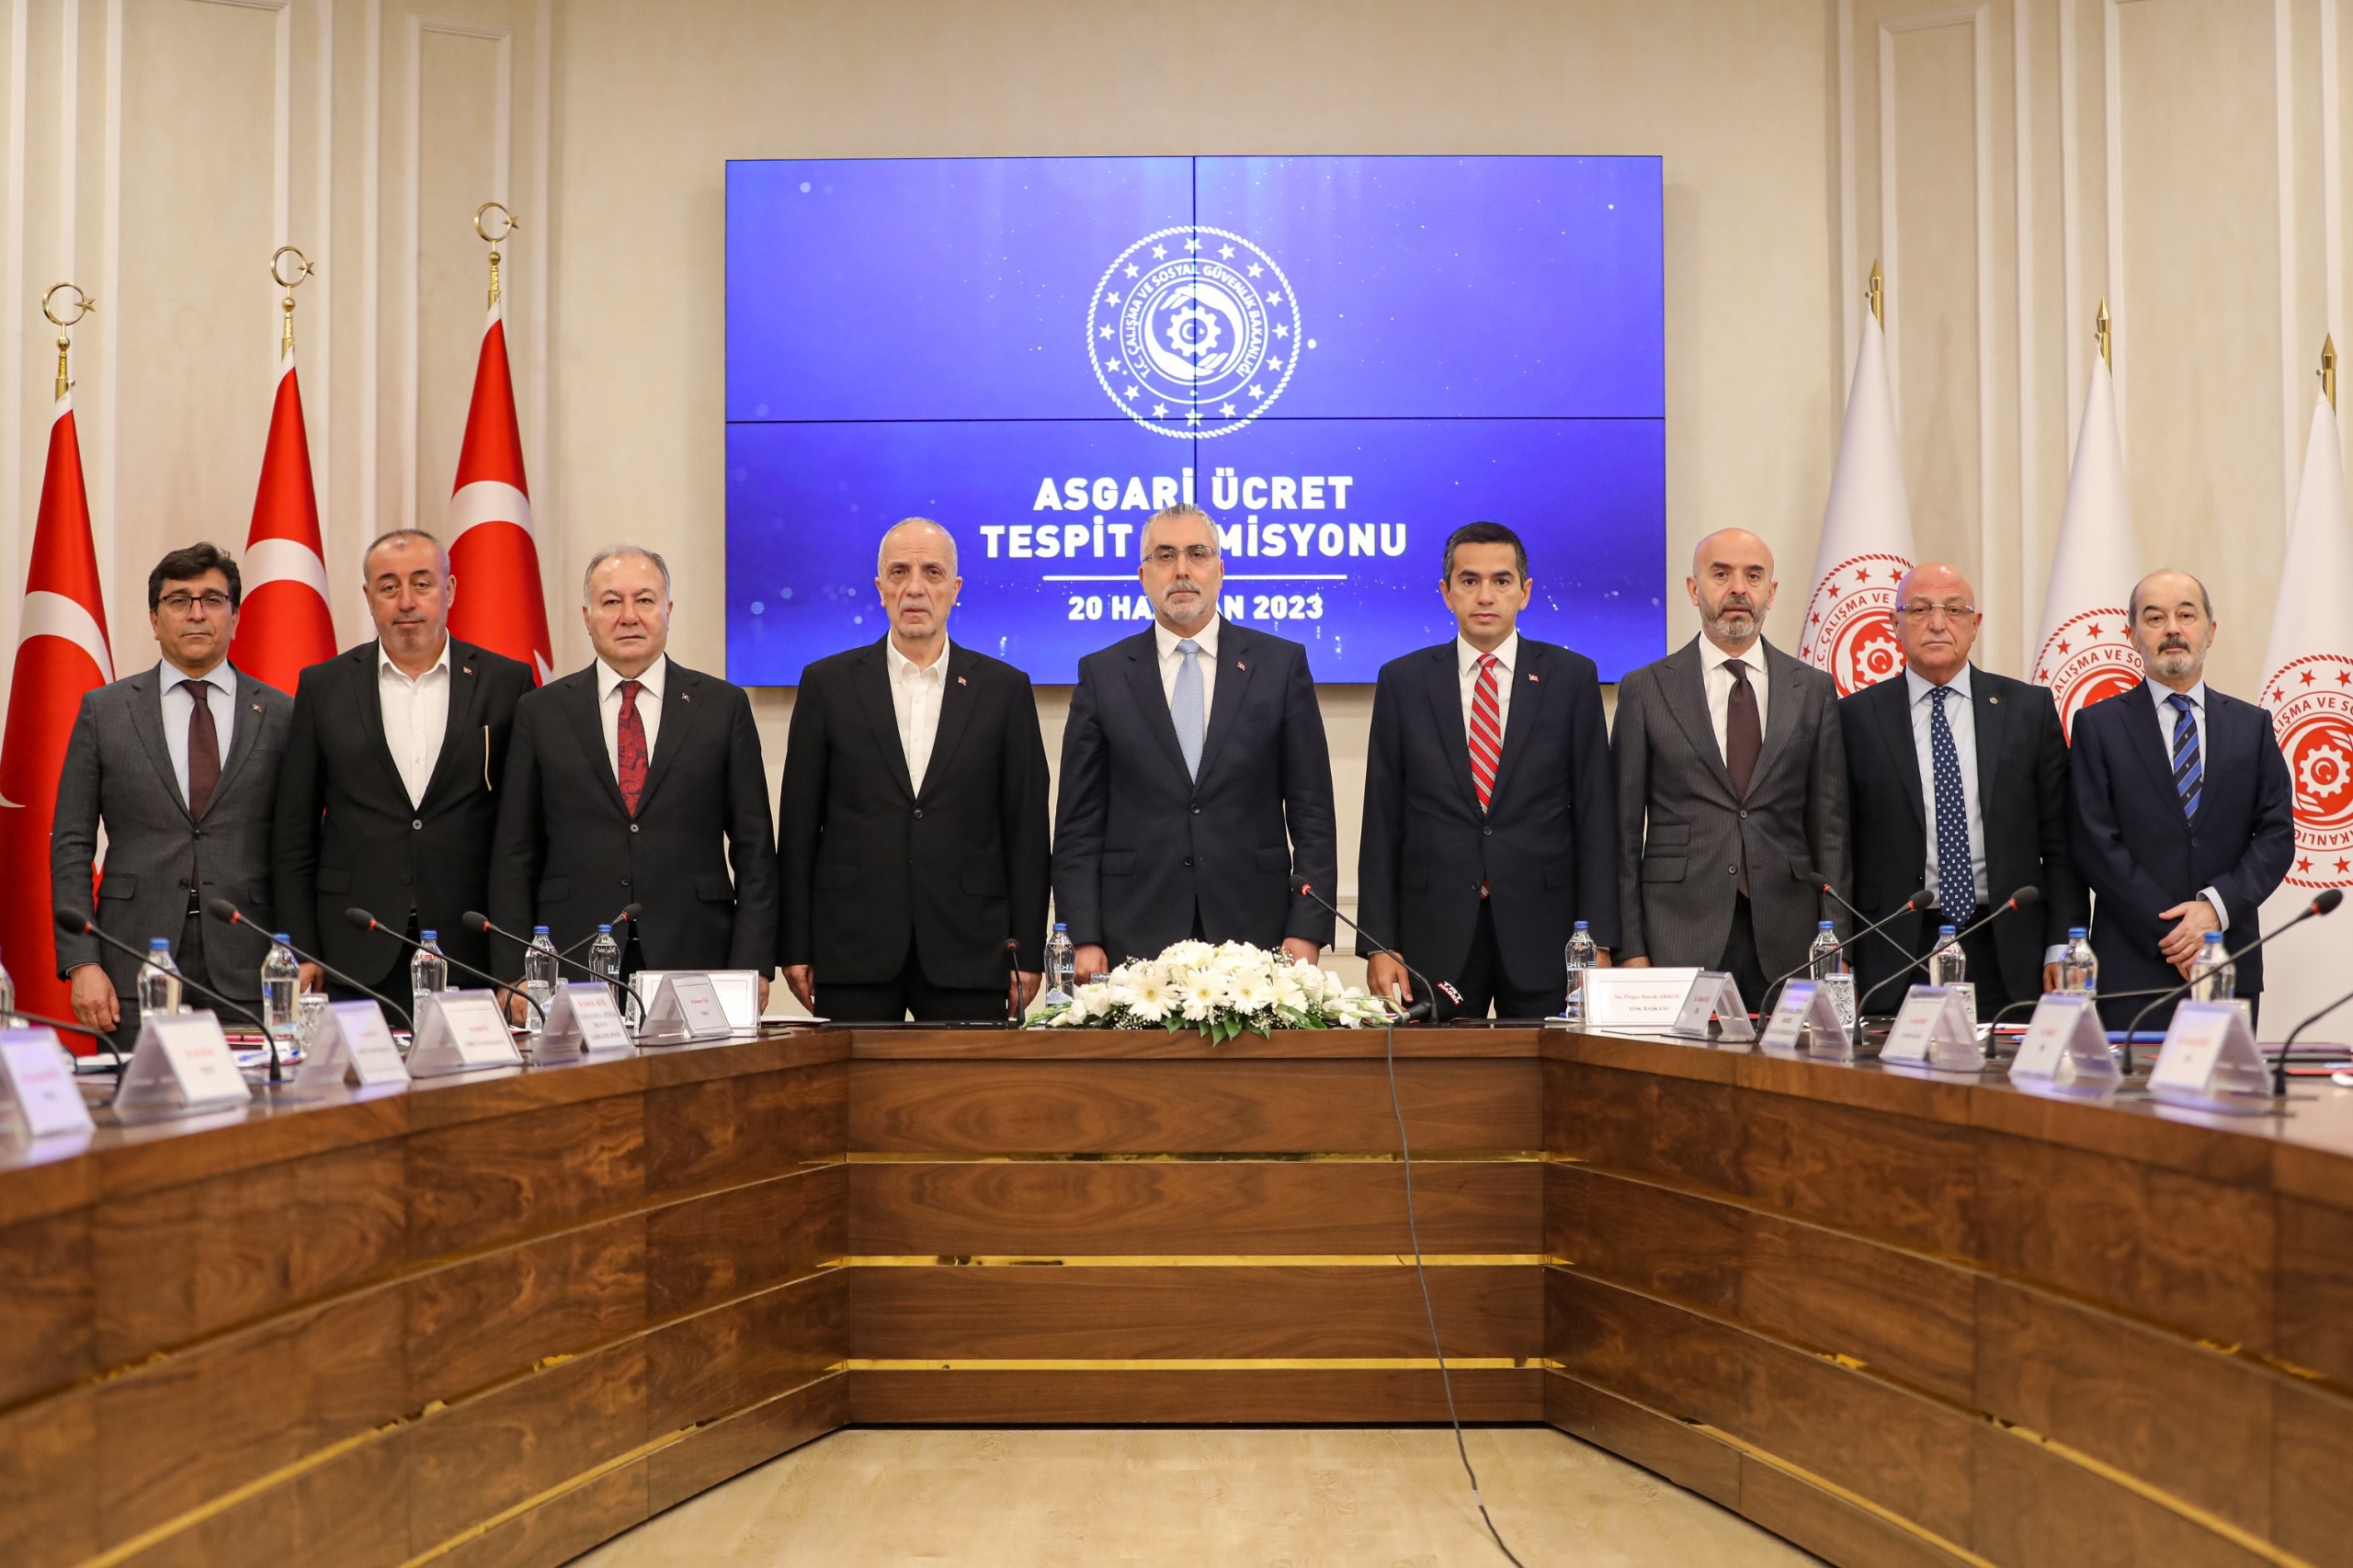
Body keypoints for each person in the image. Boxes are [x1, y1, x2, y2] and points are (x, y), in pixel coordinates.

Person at [776, 518, 1051, 1021]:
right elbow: (798, 828)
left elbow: (1027, 832)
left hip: (971, 946)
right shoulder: (827, 684)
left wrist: (1028, 951)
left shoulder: (1005, 689)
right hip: (851, 944)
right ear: (880, 587)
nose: (915, 588)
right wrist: (794, 943)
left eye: (932, 573)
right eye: (899, 572)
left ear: (955, 588)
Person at [488, 546, 778, 1010]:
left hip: (697, 947)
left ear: (668, 611)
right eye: (611, 601)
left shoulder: (722, 707)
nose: (628, 616)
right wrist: (513, 970)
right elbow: (513, 853)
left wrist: (754, 964)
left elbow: (755, 850)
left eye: (644, 600)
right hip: (571, 950)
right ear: (587, 617)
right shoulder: (541, 712)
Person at [1053, 503, 1337, 974]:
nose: (1182, 570)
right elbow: (1077, 824)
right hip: (1133, 930)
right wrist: (1082, 935)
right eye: (1165, 555)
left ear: (1220, 571)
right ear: (1143, 576)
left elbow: (1313, 813)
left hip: (1256, 929)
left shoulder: (1280, 665)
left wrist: (1307, 928)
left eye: (1197, 554)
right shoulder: (1102, 675)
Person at [1357, 521, 1619, 1018]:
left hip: (1549, 934)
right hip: (1433, 934)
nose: (1485, 595)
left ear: (1525, 592)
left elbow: (1596, 819)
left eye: (1501, 581)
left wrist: (1600, 941)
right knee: (1439, 1069)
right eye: (1469, 580)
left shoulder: (1571, 679)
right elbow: (1382, 822)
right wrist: (1379, 943)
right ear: (1446, 592)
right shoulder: (1403, 681)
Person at [272, 529, 537, 1015]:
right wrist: (300, 949)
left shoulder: (507, 682)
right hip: (352, 947)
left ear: (449, 590)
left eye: (422, 583)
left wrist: (512, 962)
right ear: (369, 597)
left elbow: (521, 833)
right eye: (389, 587)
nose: (406, 602)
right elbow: (294, 836)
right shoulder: (323, 686)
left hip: (470, 945)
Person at [51, 543, 294, 1049]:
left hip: (251, 965)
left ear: (235, 617)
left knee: (256, 1100)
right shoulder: (105, 711)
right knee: (141, 1098)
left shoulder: (281, 714)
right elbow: (71, 842)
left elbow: (303, 845)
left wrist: (304, 952)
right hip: (132, 963)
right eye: (179, 600)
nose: (196, 613)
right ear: (155, 620)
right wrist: (82, 961)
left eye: (212, 599)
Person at [1611, 527, 1848, 1006]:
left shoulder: (1813, 690)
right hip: (1676, 931)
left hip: (1789, 935)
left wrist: (1836, 947)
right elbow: (1621, 833)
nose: (1738, 589)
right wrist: (1629, 949)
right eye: (1721, 574)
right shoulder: (1646, 689)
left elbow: (1830, 830)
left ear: (1771, 593)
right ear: (1694, 588)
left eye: (1753, 576)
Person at [1838, 563, 2086, 1018]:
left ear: (1975, 624)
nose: (1937, 623)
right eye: (1920, 610)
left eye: (1954, 610)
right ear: (1894, 624)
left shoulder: (2028, 710)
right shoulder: (1854, 717)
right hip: (1894, 949)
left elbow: (2061, 840)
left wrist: (2062, 944)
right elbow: (1839, 844)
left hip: (2008, 946)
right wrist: (1844, 955)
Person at [2071, 569, 2292, 1031]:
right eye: (2155, 618)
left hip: (2227, 961)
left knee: (2226, 1081)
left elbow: (2276, 836)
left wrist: (2215, 908)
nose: (2172, 629)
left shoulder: (2252, 727)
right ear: (2132, 635)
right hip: (2131, 971)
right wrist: (2175, 934)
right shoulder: (2098, 726)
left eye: (2186, 615)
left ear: (2210, 631)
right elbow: (2094, 842)